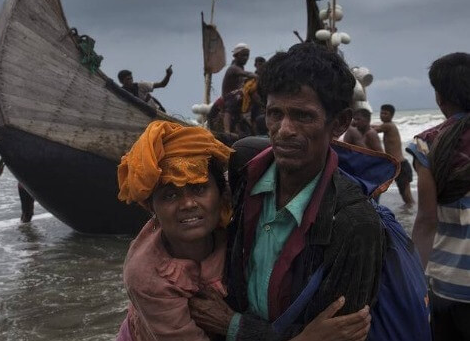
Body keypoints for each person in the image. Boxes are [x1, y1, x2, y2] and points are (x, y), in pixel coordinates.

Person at [189, 42, 383, 340]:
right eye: (275, 113)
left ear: (340, 123)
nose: (284, 129)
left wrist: (234, 327)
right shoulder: (243, 171)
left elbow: (339, 334)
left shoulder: (356, 223)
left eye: (303, 116)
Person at [115, 121, 370, 341]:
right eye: (170, 195)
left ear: (223, 192)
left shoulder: (236, 224)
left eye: (199, 188)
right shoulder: (148, 277)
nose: (188, 204)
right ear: (151, 206)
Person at [407, 52, 470, 341]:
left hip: (448, 285)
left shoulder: (429, 144)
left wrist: (412, 280)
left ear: (439, 97)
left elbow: (426, 222)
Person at [372, 104, 414, 205]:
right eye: (381, 113)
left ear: (391, 116)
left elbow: (373, 130)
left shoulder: (388, 125)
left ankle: (410, 213)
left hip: (400, 165)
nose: (383, 115)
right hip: (395, 165)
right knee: (404, 194)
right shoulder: (387, 125)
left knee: (406, 195)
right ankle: (408, 213)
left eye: (386, 113)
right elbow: (376, 126)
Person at [222, 43, 258, 135]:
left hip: (237, 93)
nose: (246, 58)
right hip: (229, 96)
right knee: (235, 98)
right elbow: (247, 74)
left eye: (247, 55)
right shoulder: (233, 68)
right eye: (243, 55)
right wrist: (257, 76)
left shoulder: (240, 67)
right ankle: (227, 130)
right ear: (236, 56)